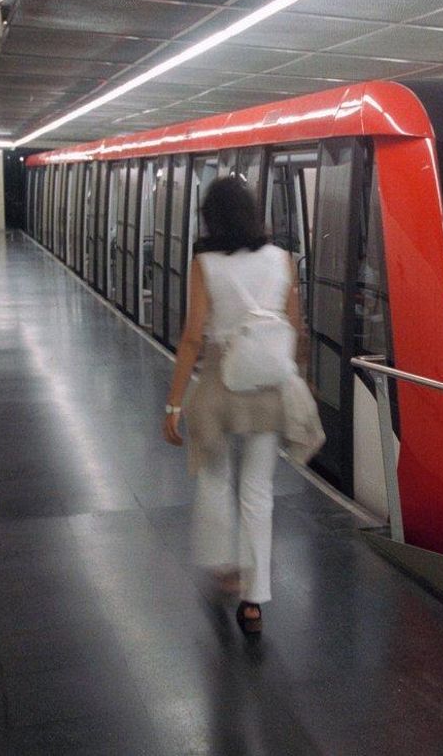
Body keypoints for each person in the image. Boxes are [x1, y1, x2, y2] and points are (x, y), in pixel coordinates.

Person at [162, 175, 322, 635]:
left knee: (214, 477)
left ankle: (224, 566)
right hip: (269, 385)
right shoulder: (283, 260)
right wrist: (298, 377)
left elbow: (193, 337)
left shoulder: (204, 264)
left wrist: (174, 404)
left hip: (220, 382)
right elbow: (295, 327)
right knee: (258, 492)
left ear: (211, 219)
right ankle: (254, 601)